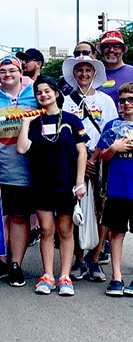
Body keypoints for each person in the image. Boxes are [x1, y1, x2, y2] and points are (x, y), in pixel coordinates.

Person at [17, 77, 88, 296]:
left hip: (66, 185)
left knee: (65, 231)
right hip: (41, 185)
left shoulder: (71, 120)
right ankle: (47, 275)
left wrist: (79, 182)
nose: (43, 95)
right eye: (39, 93)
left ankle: (64, 277)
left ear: (56, 93)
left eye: (47, 91)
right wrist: (26, 123)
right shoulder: (34, 122)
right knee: (47, 230)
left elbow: (82, 152)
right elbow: (22, 149)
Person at [0, 56, 38, 287]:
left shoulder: (34, 96)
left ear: (20, 72)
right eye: (3, 72)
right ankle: (1, 262)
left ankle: (16, 264)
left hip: (25, 170)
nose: (8, 75)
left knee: (19, 217)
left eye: (12, 71)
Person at [62, 55, 118, 281]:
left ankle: (94, 259)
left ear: (94, 74)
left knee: (100, 210)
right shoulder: (65, 101)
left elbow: (111, 131)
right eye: (79, 70)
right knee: (75, 210)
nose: (83, 74)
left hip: (101, 160)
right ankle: (77, 258)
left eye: (88, 70)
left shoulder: (105, 101)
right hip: (74, 163)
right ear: (73, 74)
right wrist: (81, 163)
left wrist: (95, 158)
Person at [98, 83, 133, 296]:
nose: (126, 104)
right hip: (118, 188)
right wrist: (114, 148)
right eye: (122, 100)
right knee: (116, 233)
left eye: (131, 99)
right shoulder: (112, 126)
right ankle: (116, 277)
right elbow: (102, 155)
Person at [97, 30, 133, 106]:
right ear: (101, 50)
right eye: (107, 46)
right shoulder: (92, 76)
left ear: (123, 50)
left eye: (116, 47)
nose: (111, 50)